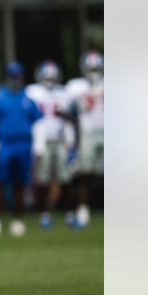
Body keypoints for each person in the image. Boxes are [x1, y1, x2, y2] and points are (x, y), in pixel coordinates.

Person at [0, 62, 43, 237]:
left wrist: (39, 146)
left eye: (17, 76)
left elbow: (37, 122)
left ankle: (17, 220)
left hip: (23, 144)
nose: (15, 80)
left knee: (20, 184)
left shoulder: (28, 99)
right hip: (5, 144)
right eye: (12, 76)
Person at [25, 61, 72, 229]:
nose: (50, 81)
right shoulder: (32, 92)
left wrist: (70, 142)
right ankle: (44, 214)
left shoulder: (64, 93)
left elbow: (67, 120)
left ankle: (67, 213)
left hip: (58, 140)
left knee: (64, 178)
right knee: (42, 179)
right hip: (41, 141)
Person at [65, 51, 104, 229]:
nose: (94, 71)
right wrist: (72, 136)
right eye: (91, 68)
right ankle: (83, 208)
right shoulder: (75, 87)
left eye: (96, 68)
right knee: (84, 173)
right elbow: (66, 112)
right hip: (87, 132)